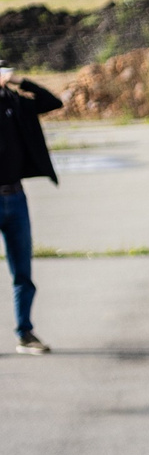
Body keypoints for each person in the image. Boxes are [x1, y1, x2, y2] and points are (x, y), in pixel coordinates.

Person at [0, 65, 61, 353]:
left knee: (22, 270)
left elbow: (52, 102)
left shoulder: (14, 103)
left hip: (15, 198)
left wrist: (16, 81)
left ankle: (25, 332)